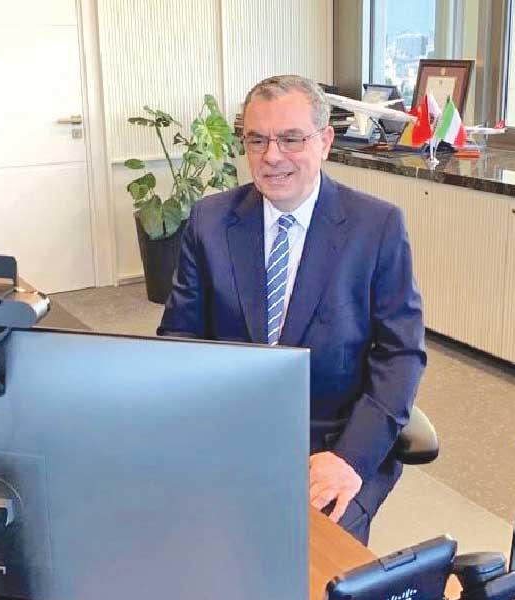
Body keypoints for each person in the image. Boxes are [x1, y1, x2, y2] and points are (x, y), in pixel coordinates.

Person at [158, 74, 425, 544]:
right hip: (230, 432)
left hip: (331, 440)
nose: (272, 156)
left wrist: (349, 458)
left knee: (306, 557)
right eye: (256, 140)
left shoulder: (375, 226)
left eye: (291, 139)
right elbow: (178, 340)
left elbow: (400, 354)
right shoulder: (211, 220)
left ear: (325, 142)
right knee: (184, 541)